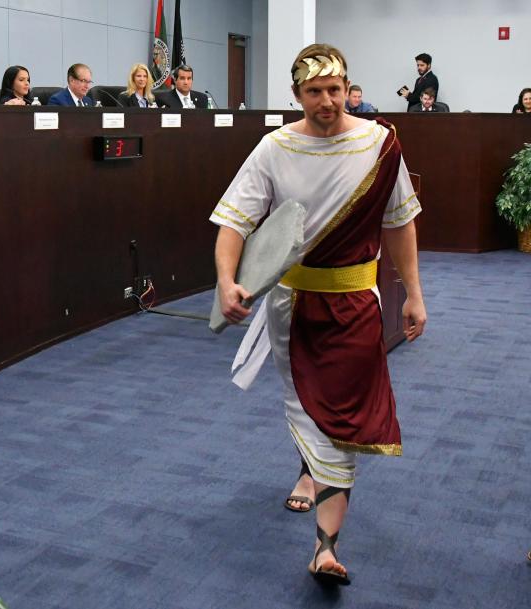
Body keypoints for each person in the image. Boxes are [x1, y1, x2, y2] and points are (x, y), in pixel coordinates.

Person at [212, 43, 426, 585]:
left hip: (356, 303)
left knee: (342, 418)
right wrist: (225, 280)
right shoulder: (274, 147)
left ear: (348, 87)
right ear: (296, 95)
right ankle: (310, 476)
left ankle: (325, 549)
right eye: (314, 92)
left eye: (335, 89)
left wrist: (416, 294)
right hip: (293, 308)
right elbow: (235, 221)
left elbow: (400, 223)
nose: (327, 101)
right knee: (307, 406)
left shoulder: (381, 144)